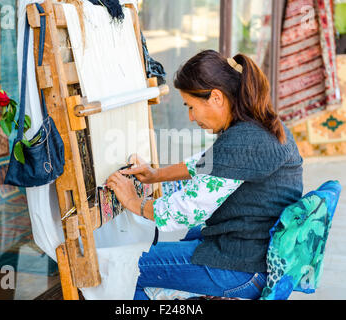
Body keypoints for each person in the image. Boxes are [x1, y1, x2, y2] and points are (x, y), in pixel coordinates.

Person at [106, 50, 303, 300]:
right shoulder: (259, 125)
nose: (190, 117)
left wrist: (134, 202)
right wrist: (155, 175)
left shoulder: (244, 140)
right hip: (253, 259)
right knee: (167, 251)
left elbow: (186, 211)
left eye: (191, 106)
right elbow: (207, 164)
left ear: (216, 98)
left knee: (119, 271)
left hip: (241, 269)